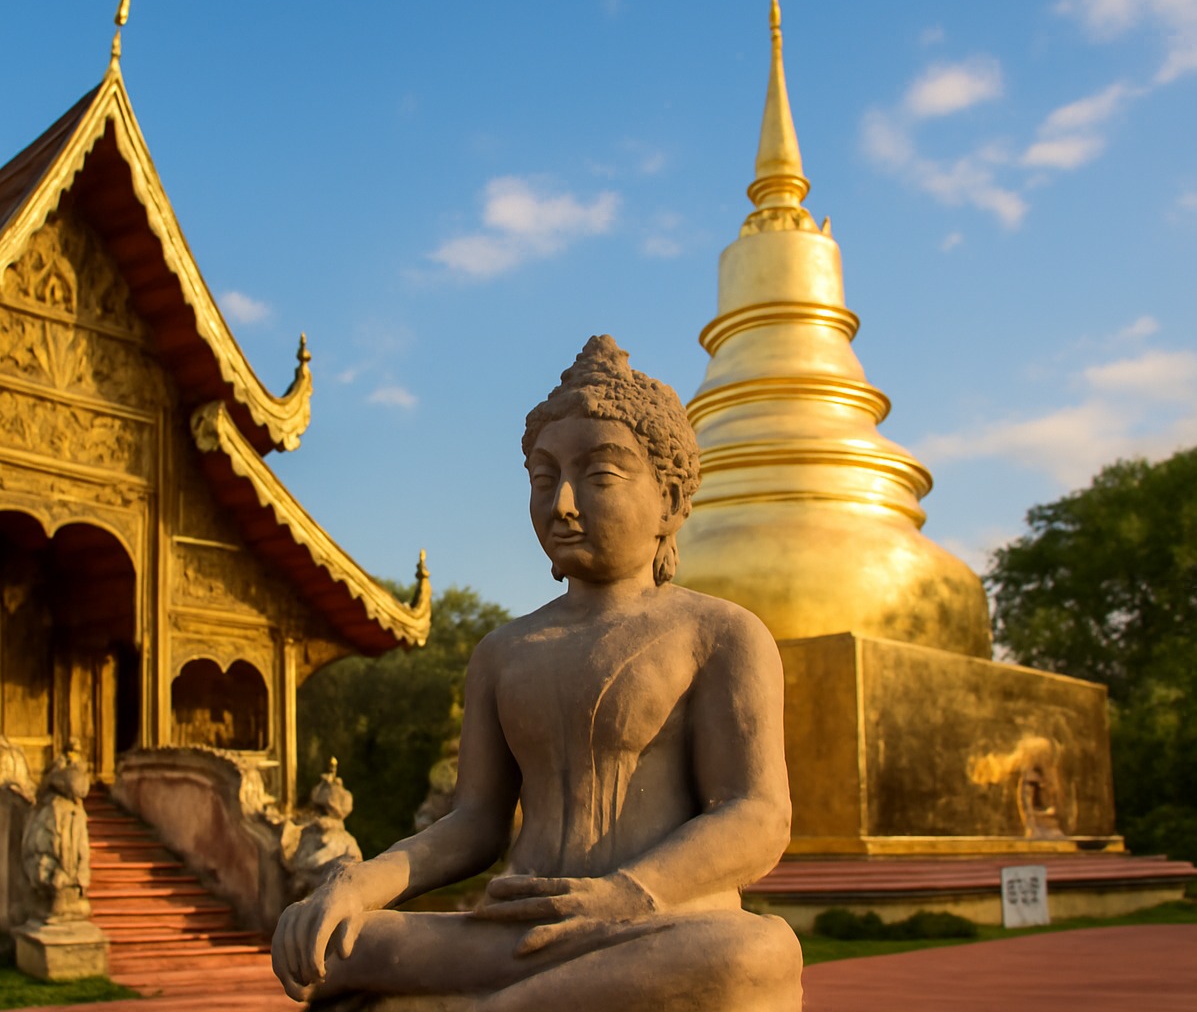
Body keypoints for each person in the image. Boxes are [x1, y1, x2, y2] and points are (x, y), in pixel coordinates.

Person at [273, 335, 802, 1010]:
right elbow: (475, 822)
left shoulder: (720, 634)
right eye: (545, 478)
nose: (563, 505)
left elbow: (757, 815)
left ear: (670, 501)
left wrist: (625, 893)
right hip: (515, 931)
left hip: (651, 925)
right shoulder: (504, 650)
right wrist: (359, 884)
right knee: (338, 945)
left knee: (757, 952)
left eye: (600, 477)